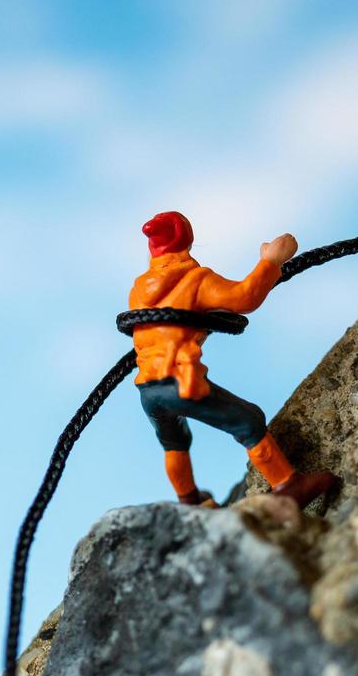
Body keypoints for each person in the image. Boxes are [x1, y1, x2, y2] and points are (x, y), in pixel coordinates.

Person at [129, 210, 340, 508]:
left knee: (174, 442)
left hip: (147, 389)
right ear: (186, 239)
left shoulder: (139, 290)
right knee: (249, 421)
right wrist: (271, 260)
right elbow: (244, 298)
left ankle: (188, 499)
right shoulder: (194, 280)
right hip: (181, 381)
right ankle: (289, 485)